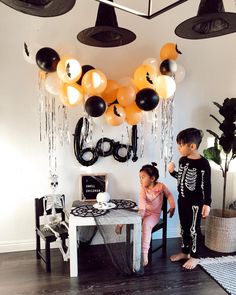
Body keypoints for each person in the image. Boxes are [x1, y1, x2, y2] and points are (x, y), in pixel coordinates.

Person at [116, 162, 175, 267]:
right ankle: (120, 224)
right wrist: (140, 214)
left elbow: (169, 195)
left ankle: (144, 254)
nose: (140, 180)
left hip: (153, 215)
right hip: (143, 211)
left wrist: (172, 206)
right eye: (139, 177)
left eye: (143, 177)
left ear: (152, 179)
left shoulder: (161, 186)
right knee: (130, 211)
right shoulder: (143, 190)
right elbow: (142, 204)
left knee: (146, 225)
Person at [168, 128, 211, 270]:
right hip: (182, 200)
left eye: (181, 145)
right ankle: (185, 252)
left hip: (196, 203)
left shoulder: (203, 164)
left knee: (194, 228)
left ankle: (195, 256)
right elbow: (181, 179)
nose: (178, 148)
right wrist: (172, 172)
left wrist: (207, 203)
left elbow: (207, 185)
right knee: (184, 227)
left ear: (191, 146)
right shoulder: (182, 160)